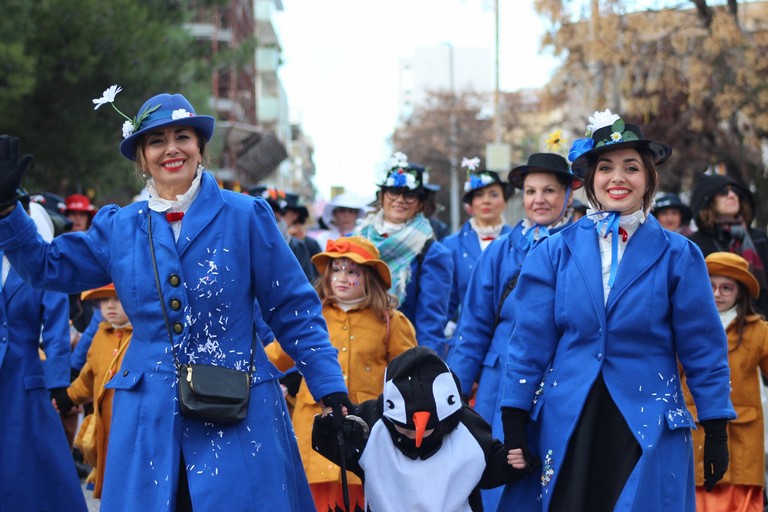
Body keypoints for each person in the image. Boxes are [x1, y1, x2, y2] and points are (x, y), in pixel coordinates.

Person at [0, 89, 350, 511]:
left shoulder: (246, 215)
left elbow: (294, 310)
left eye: (182, 136)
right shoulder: (120, 225)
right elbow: (45, 268)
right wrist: (7, 212)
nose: (171, 149)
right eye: (156, 140)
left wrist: (330, 387)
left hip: (240, 415)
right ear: (142, 157)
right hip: (147, 418)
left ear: (200, 147)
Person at [496, 110, 736, 511]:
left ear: (649, 178)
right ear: (591, 180)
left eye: (631, 167)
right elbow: (528, 342)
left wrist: (715, 425)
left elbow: (703, 347)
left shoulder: (680, 255)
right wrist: (515, 419)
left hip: (646, 420)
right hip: (571, 418)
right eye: (605, 167)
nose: (618, 178)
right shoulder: (553, 253)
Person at [447, 151, 581, 511]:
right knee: (501, 471)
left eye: (550, 190)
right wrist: (452, 394)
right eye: (531, 191)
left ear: (569, 194)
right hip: (501, 380)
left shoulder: (583, 249)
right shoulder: (500, 252)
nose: (539, 200)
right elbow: (473, 327)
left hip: (562, 378)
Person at [266, 236, 418, 511]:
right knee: (313, 497)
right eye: (336, 269)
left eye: (352, 271)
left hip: (368, 426)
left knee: (365, 493)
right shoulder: (311, 318)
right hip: (314, 424)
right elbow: (277, 354)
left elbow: (409, 372)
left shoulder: (390, 321)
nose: (342, 278)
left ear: (369, 277)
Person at [312, 346, 530, 512]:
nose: (414, 437)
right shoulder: (370, 424)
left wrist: (509, 462)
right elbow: (336, 449)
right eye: (403, 428)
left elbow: (486, 470)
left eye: (427, 430)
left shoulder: (467, 429)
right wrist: (329, 426)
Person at [0, 183, 87, 512]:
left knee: (34, 461)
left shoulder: (39, 265)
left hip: (27, 378)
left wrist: (58, 384)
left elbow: (55, 328)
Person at [682, 252, 768, 511]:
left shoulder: (758, 330)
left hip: (743, 443)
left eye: (726, 287)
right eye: (710, 285)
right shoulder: (684, 325)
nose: (717, 293)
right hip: (695, 431)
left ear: (740, 292)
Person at [354, 152, 454, 357]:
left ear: (420, 203)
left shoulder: (432, 253)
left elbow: (430, 322)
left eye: (409, 194)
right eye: (393, 191)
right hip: (352, 352)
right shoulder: (354, 240)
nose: (400, 199)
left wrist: (427, 371)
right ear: (381, 197)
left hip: (400, 358)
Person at [54, 283, 132, 499]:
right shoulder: (100, 336)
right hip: (104, 428)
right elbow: (88, 376)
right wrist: (68, 397)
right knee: (108, 481)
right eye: (104, 300)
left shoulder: (140, 339)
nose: (111, 306)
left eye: (117, 299)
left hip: (132, 427)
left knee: (131, 481)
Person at [441, 156, 512, 343]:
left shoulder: (521, 243)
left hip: (508, 340)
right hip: (464, 339)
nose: (486, 201)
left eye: (494, 194)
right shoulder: (450, 245)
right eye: (479, 195)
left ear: (505, 201)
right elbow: (445, 304)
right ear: (470, 205)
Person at [689, 173, 768, 316]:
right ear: (708, 200)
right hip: (717, 325)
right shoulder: (695, 244)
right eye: (723, 192)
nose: (732, 195)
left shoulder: (758, 237)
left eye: (735, 191)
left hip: (760, 323)